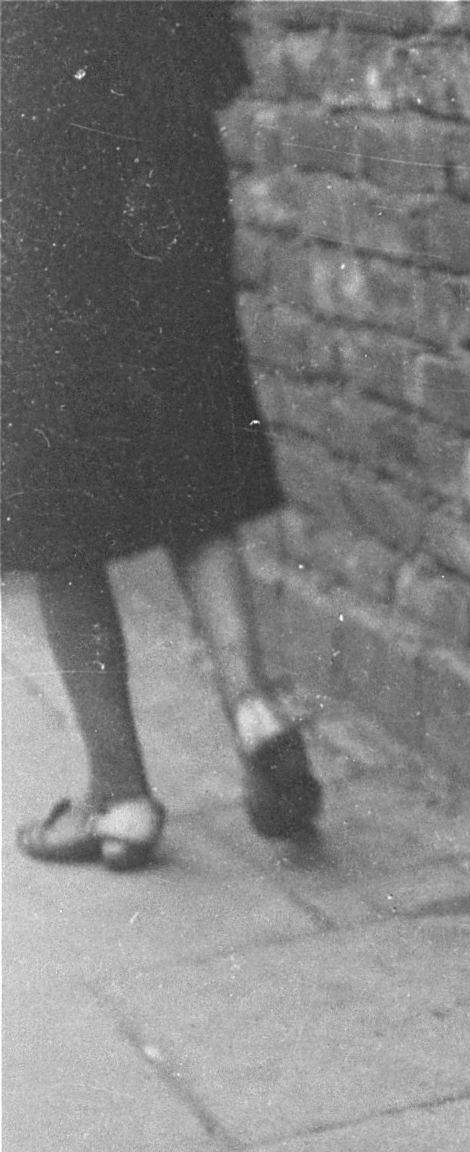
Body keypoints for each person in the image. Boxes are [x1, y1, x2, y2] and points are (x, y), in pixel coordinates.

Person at [2, 1, 320, 871]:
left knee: (55, 512)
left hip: (35, 208)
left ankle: (121, 795)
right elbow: (223, 67)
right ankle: (252, 703)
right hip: (168, 193)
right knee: (190, 467)